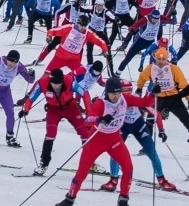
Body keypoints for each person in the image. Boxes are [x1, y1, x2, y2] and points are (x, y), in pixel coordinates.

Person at [57, 78, 155, 206]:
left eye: (119, 92)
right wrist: (100, 120)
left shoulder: (124, 99)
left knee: (128, 168)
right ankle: (69, 198)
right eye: (113, 93)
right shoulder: (100, 103)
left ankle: (123, 200)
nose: (117, 96)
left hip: (114, 140)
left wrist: (153, 93)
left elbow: (145, 102)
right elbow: (88, 119)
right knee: (82, 172)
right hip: (97, 141)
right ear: (107, 92)